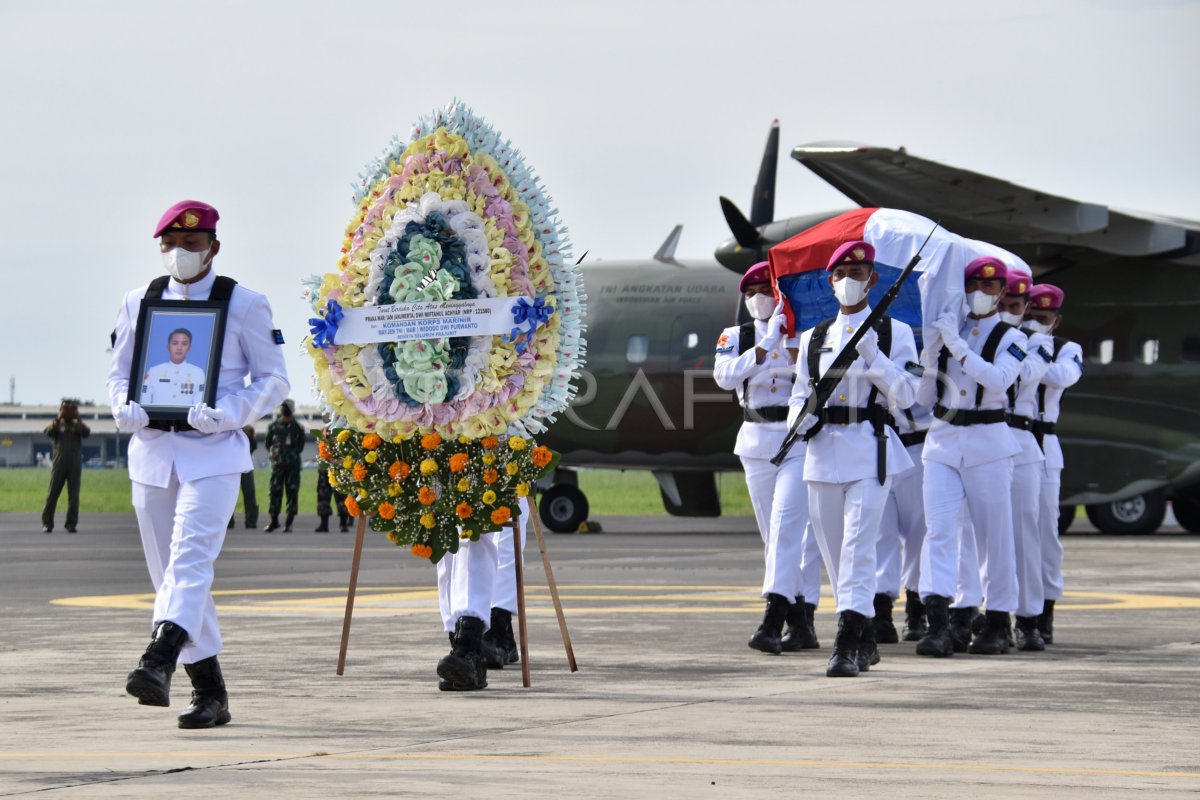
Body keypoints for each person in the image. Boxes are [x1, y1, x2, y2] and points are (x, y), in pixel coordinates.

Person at [108, 199, 289, 728]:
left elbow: (275, 380)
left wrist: (229, 413)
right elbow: (118, 372)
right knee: (171, 576)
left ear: (213, 246)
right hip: (152, 452)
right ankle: (210, 691)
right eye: (171, 245)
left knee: (189, 562)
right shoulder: (139, 301)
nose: (180, 254)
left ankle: (157, 658)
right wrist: (123, 406)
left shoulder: (245, 304)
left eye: (191, 245)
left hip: (213, 452)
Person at [787, 241, 919, 677]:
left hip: (869, 448)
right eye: (842, 272)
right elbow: (799, 393)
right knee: (833, 553)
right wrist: (798, 421)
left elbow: (907, 396)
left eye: (858, 272)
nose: (849, 280)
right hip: (823, 452)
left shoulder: (893, 333)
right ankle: (863, 636)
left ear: (873, 280)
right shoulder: (814, 337)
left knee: (859, 547)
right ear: (830, 280)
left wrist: (874, 358)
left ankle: (845, 643)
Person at [915, 256, 1026, 657]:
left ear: (1001, 293)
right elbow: (922, 401)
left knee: (993, 537)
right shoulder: (947, 333)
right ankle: (940, 622)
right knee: (940, 532)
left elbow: (998, 380)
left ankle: (998, 621)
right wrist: (930, 356)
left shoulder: (1012, 338)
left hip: (989, 445)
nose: (982, 293)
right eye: (975, 286)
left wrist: (958, 348)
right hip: (943, 443)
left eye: (990, 287)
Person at [713, 262, 820, 655]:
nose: (758, 297)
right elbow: (724, 377)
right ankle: (802, 621)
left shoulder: (803, 333)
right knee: (773, 535)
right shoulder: (735, 336)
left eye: (765, 290)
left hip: (795, 439)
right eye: (750, 292)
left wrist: (787, 342)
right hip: (756, 439)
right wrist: (763, 348)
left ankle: (775, 616)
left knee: (788, 525)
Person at [999, 274, 1055, 651]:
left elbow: (1028, 372)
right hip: (980, 438)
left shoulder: (1034, 344)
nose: (1008, 313)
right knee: (976, 537)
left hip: (1019, 440)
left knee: (1024, 535)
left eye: (1015, 307)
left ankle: (1029, 618)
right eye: (1003, 305)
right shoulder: (978, 337)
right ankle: (986, 617)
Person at [1025, 284, 1083, 644]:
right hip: (1008, 439)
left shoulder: (1065, 349)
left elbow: (1062, 377)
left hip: (1044, 444)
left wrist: (1032, 351)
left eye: (1041, 319)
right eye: (1028, 316)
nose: (1033, 323)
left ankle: (1044, 610)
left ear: (1055, 321)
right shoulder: (1005, 343)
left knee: (1045, 533)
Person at [41, 399, 90, 533]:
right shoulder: (56, 424)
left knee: (74, 495)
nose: (68, 411)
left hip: (74, 464)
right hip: (59, 463)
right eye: (65, 408)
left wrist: (78, 418)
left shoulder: (77, 425)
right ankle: (47, 523)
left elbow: (86, 433)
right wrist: (59, 418)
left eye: (71, 409)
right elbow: (47, 432)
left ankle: (71, 524)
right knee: (52, 494)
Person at [264, 401, 305, 532]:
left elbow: (301, 445)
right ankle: (274, 521)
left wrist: (290, 454)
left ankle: (289, 523)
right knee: (275, 492)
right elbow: (268, 443)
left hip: (292, 466)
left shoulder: (298, 427)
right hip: (278, 466)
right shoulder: (274, 426)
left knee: (292, 493)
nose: (284, 410)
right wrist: (277, 454)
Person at [141, 329, 207, 406]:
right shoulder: (154, 371)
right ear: (168, 346)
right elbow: (144, 400)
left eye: (184, 344)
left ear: (189, 347)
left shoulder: (198, 373)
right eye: (175, 343)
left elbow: (199, 403)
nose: (179, 348)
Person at [229, 425, 259, 529]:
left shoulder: (248, 428)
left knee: (248, 494)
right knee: (231, 495)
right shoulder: (230, 426)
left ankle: (250, 521)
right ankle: (229, 522)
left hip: (243, 465)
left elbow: (254, 446)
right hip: (233, 466)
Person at [315, 465, 350, 533]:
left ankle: (343, 524)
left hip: (338, 467)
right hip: (325, 466)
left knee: (341, 496)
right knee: (323, 496)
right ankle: (324, 524)